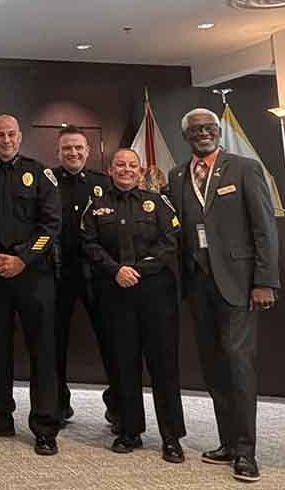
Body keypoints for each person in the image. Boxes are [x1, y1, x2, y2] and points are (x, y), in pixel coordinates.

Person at [166, 108, 279, 483]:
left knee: (238, 364)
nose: (203, 133)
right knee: (213, 365)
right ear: (186, 136)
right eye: (196, 129)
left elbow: (264, 228)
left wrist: (265, 281)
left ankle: (246, 452)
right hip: (198, 285)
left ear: (218, 132)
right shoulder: (177, 175)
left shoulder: (245, 168)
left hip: (239, 284)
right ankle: (228, 442)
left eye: (209, 128)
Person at [80, 148, 186, 463]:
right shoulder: (96, 205)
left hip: (155, 294)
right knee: (123, 363)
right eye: (120, 165)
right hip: (115, 294)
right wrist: (116, 270)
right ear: (110, 170)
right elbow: (89, 244)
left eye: (132, 165)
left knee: (164, 365)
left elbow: (170, 242)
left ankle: (171, 437)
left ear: (140, 171)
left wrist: (138, 270)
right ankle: (129, 431)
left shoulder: (159, 203)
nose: (126, 169)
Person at [0, 114, 62, 455]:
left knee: (43, 350)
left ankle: (45, 425)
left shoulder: (40, 174)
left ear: (20, 137)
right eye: (0, 134)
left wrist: (23, 258)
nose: (6, 140)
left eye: (11, 134)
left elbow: (51, 226)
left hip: (33, 274)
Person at [50, 125, 118, 428]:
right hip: (58, 272)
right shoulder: (47, 181)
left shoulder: (103, 183)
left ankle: (117, 408)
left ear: (88, 151)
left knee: (112, 340)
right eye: (67, 148)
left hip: (98, 274)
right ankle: (57, 406)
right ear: (58, 152)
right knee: (54, 343)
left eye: (79, 147)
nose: (73, 153)